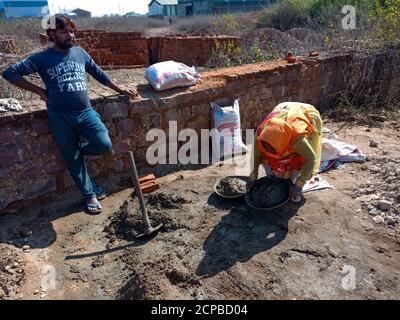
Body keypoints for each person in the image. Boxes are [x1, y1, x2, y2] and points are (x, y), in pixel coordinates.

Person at [2, 15, 137, 214]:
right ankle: (89, 194)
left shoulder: (79, 53)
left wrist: (120, 90)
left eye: (72, 31)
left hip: (85, 112)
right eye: (65, 32)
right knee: (71, 159)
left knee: (103, 143)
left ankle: (79, 151)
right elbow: (9, 73)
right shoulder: (42, 58)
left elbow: (99, 74)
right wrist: (39, 91)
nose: (70, 35)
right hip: (59, 116)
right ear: (51, 34)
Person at [248, 102, 322, 203]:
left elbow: (311, 158)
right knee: (268, 160)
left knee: (298, 159)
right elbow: (256, 156)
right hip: (282, 109)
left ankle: (292, 184)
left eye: (273, 150)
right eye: (266, 148)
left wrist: (299, 185)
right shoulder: (261, 134)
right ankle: (279, 181)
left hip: (304, 114)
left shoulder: (297, 139)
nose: (270, 152)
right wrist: (252, 178)